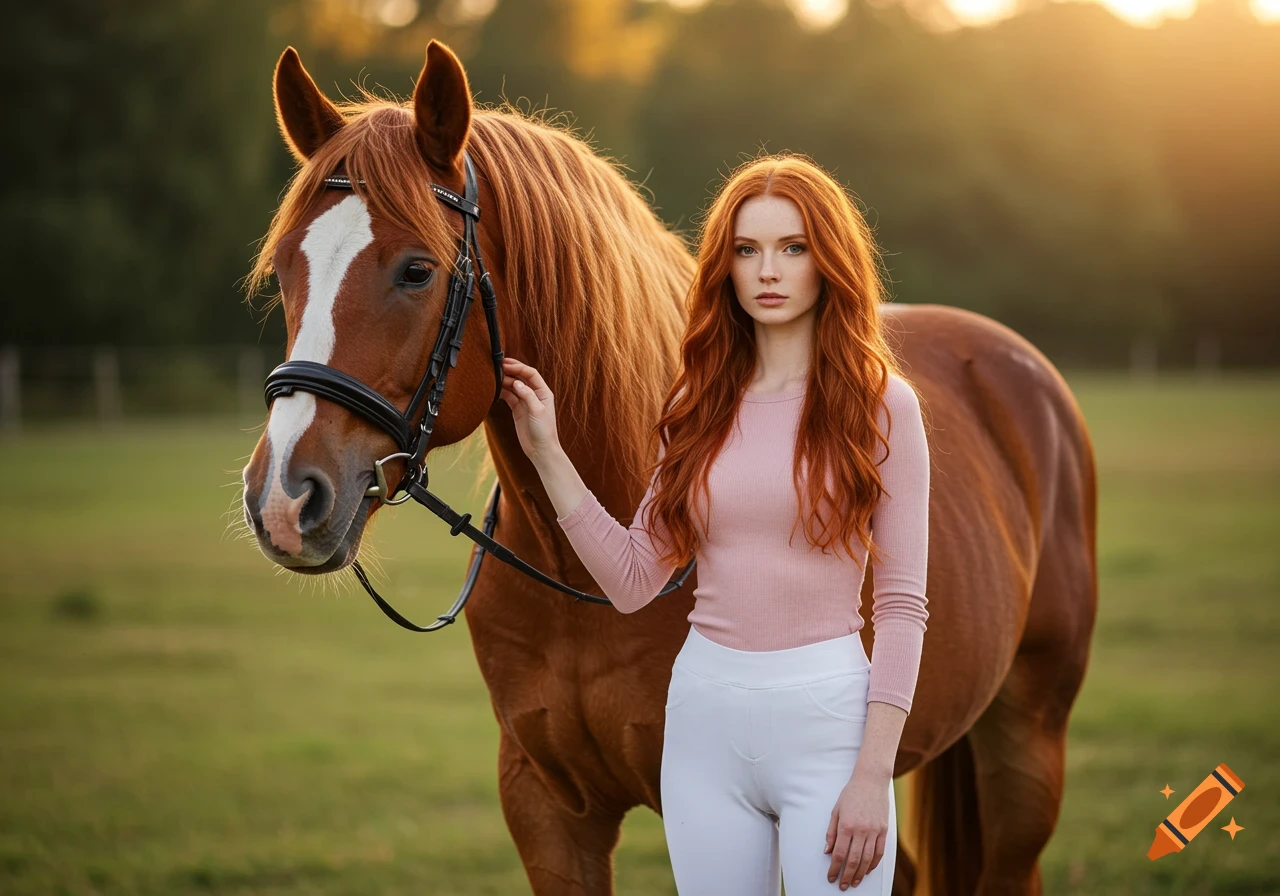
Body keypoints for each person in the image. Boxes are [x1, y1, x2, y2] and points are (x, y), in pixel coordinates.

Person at [498, 153, 930, 895]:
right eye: (747, 249)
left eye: (793, 248)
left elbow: (900, 608)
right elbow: (634, 581)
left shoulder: (883, 405)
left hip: (827, 724)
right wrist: (547, 451)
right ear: (724, 267)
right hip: (705, 725)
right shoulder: (694, 405)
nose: (769, 270)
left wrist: (870, 775)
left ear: (829, 262)